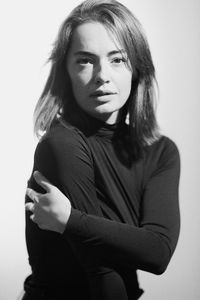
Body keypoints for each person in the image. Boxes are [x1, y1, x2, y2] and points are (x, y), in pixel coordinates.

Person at [23, 0, 181, 299]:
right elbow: (101, 270)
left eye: (117, 59)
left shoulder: (161, 152)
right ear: (66, 71)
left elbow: (158, 252)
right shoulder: (62, 143)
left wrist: (71, 221)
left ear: (137, 68)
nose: (102, 75)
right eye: (85, 60)